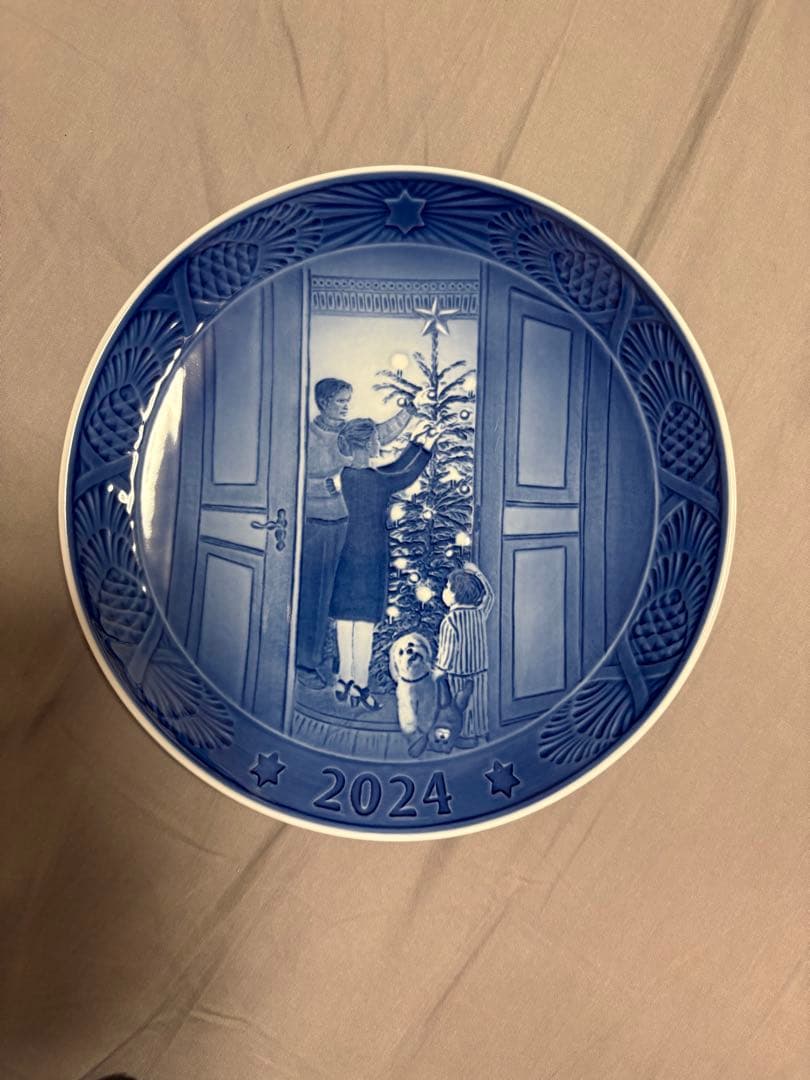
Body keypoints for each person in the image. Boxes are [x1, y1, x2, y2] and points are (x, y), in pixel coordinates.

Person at [296, 378, 415, 688]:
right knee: (316, 594)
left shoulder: (349, 431)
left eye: (348, 400)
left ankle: (338, 664)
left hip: (346, 525)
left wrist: (408, 412)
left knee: (340, 596)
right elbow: (294, 476)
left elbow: (379, 434)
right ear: (323, 403)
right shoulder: (308, 436)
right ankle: (306, 663)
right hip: (319, 524)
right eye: (340, 401)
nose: (346, 406)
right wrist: (323, 486)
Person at [330, 419, 436, 710]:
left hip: (348, 552)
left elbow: (391, 469)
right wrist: (426, 446)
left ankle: (344, 678)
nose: (380, 443)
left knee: (345, 619)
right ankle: (360, 685)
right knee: (364, 622)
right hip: (371, 555)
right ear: (366, 444)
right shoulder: (375, 480)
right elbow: (403, 475)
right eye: (376, 438)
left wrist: (416, 442)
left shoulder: (348, 474)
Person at [434, 562, 494, 745]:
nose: (444, 591)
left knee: (461, 706)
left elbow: (448, 650)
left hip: (458, 673)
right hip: (480, 671)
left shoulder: (449, 620)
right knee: (479, 703)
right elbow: (490, 596)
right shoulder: (479, 613)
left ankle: (466, 736)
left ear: (455, 594)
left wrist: (439, 669)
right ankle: (481, 733)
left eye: (447, 587)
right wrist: (477, 572)